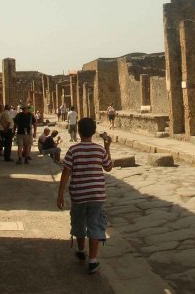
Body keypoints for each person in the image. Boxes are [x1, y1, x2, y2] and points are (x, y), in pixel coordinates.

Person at [57, 118, 112, 275]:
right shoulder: (99, 150)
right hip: (97, 195)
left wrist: (60, 195)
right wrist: (107, 148)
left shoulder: (73, 150)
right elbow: (108, 167)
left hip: (79, 195)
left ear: (79, 131)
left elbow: (66, 173)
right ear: (94, 132)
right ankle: (93, 261)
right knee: (95, 225)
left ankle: (81, 251)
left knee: (79, 223)